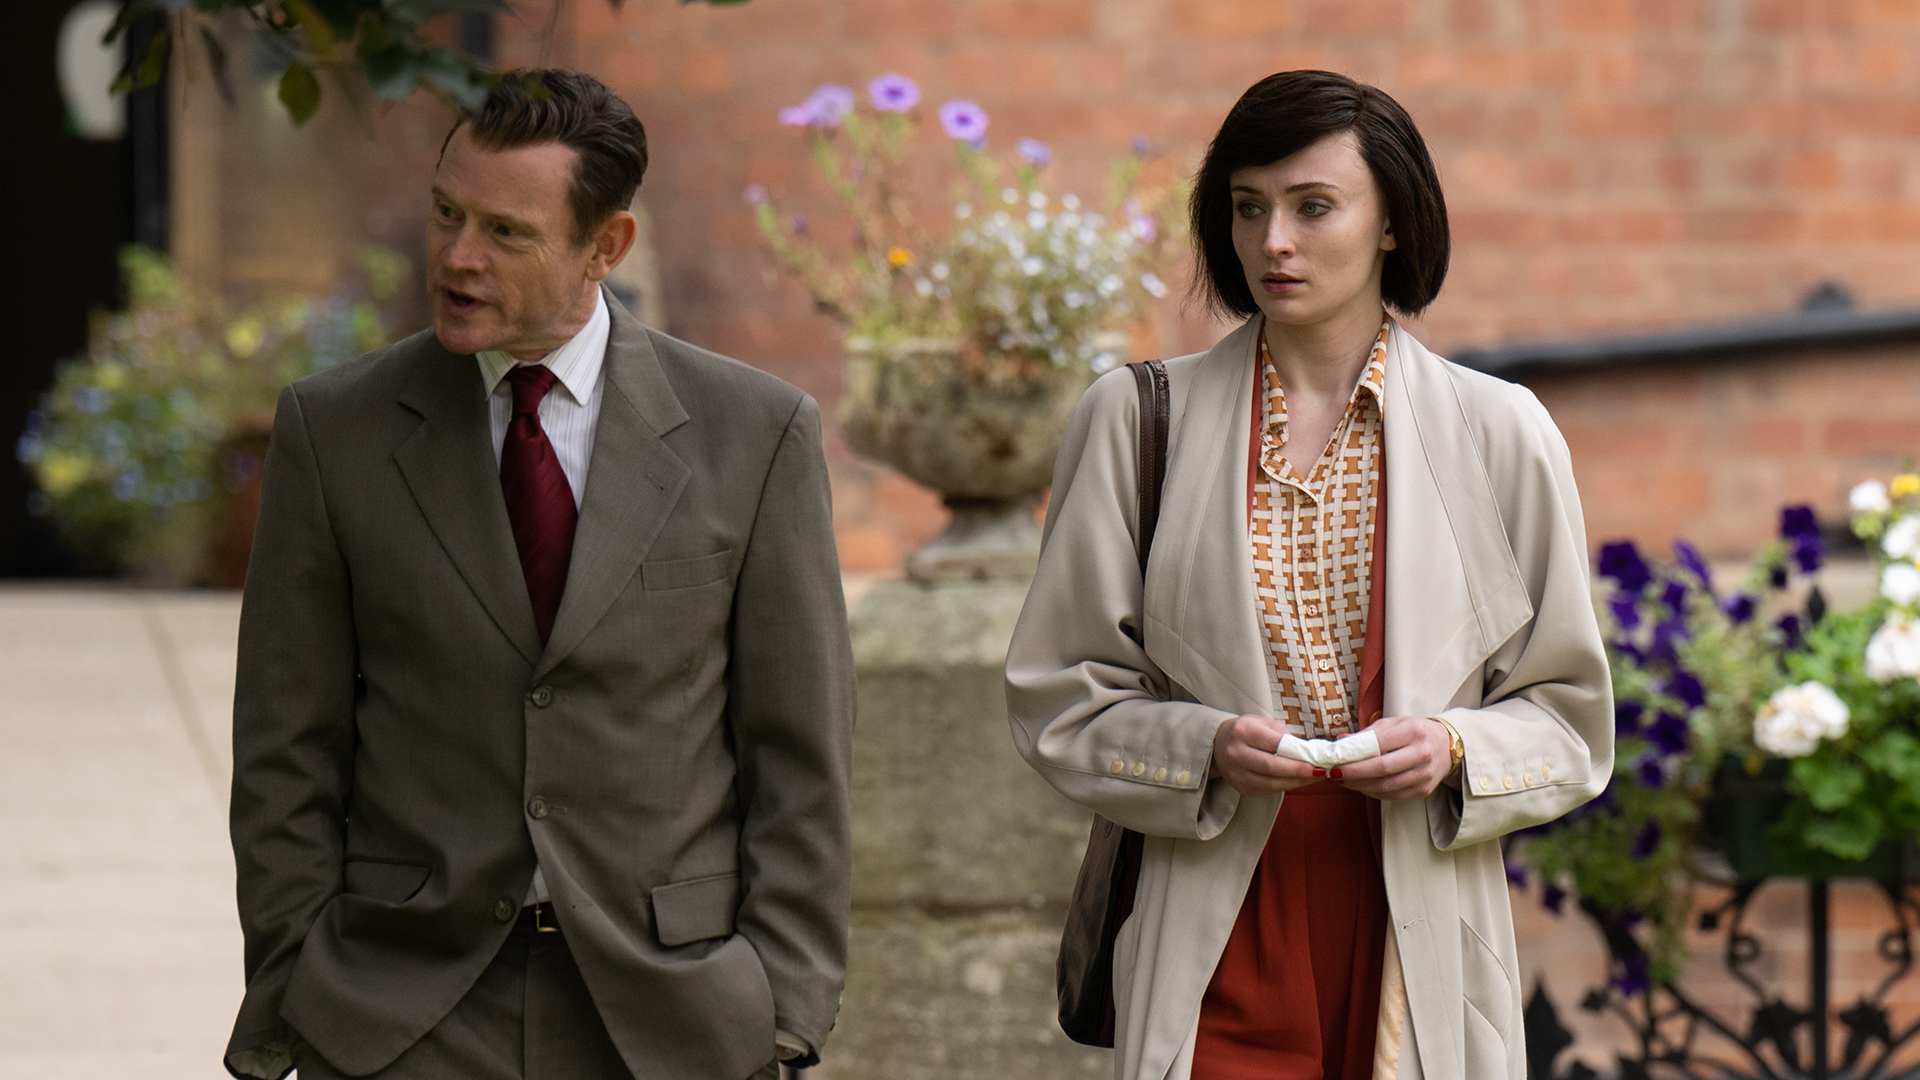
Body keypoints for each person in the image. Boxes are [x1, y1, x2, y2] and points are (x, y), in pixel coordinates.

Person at [224, 69, 853, 1080]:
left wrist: (781, 1015)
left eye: (506, 233)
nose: (457, 257)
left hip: (671, 1017)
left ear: (606, 247)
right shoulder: (333, 431)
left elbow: (802, 758)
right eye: (446, 213)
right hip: (399, 1011)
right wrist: (301, 985)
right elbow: (284, 749)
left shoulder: (755, 434)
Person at [1006, 70, 1612, 1080]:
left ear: (1392, 223)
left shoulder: (1502, 432)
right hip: (1214, 924)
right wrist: (1203, 747)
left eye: (1313, 206)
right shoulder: (1135, 420)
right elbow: (1058, 696)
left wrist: (1453, 746)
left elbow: (1569, 719)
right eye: (1249, 208)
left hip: (1417, 926)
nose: (1273, 241)